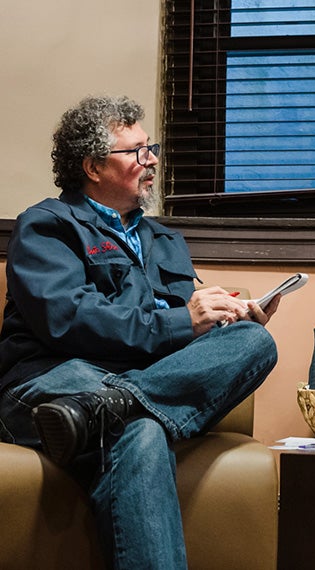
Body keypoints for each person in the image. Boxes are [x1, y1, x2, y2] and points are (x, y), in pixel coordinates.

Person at [0, 95, 281, 569]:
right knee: (141, 429)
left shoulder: (164, 240)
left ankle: (111, 406)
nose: (151, 159)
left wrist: (225, 321)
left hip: (126, 385)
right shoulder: (47, 227)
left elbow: (177, 336)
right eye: (136, 151)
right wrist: (184, 320)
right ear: (93, 166)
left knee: (255, 342)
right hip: (55, 378)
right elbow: (70, 319)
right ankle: (120, 407)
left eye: (151, 147)